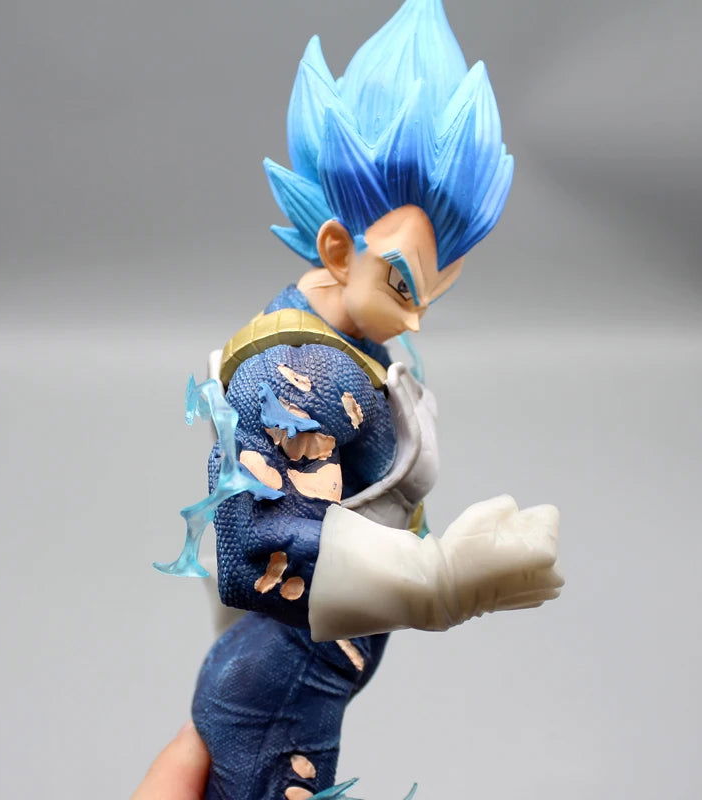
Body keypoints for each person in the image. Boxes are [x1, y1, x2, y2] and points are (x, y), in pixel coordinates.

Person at [168, 2, 564, 797]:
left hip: (308, 680)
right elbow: (256, 551)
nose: (416, 319)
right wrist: (437, 579)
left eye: (433, 295)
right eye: (404, 285)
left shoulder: (359, 353)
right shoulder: (297, 370)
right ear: (337, 247)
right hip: (276, 696)